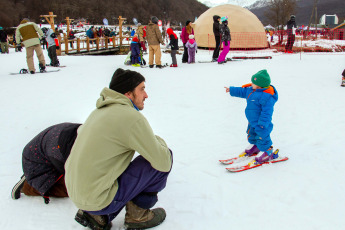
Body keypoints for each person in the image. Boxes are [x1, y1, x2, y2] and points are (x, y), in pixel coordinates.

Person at [65, 68, 173, 230]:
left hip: (78, 195)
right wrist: (157, 141)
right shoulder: (131, 118)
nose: (146, 95)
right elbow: (163, 162)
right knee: (164, 157)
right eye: (142, 89)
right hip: (98, 200)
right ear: (128, 94)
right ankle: (138, 216)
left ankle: (97, 215)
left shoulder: (97, 112)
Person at [11, 123, 81, 204]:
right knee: (75, 189)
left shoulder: (83, 134)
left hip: (47, 153)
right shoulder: (58, 153)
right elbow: (72, 177)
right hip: (37, 165)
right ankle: (27, 186)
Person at [224, 69, 279, 164]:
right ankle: (256, 146)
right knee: (251, 134)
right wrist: (231, 89)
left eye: (253, 82)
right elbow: (241, 91)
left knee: (263, 136)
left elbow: (267, 112)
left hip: (261, 123)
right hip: (252, 120)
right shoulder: (251, 90)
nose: (251, 83)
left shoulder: (267, 96)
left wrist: (263, 123)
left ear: (259, 85)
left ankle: (268, 152)